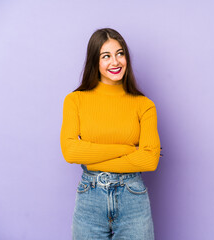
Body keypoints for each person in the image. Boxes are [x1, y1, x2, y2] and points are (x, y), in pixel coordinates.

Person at [60, 28, 161, 239]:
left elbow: (150, 160)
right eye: (106, 56)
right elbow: (70, 152)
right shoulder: (75, 100)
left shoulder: (144, 105)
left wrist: (92, 156)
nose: (115, 62)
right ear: (94, 61)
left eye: (120, 53)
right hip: (90, 200)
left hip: (133, 198)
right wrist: (126, 150)